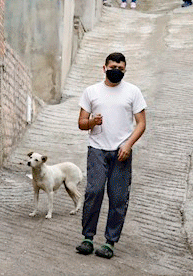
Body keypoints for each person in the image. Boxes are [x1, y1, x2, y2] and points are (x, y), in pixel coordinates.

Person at [75, 52, 147, 259]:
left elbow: (141, 123)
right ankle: (88, 238)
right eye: (113, 67)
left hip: (121, 152)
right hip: (97, 149)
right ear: (104, 68)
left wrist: (128, 144)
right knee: (94, 192)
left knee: (118, 197)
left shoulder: (133, 92)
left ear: (125, 70)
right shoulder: (91, 91)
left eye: (120, 69)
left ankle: (109, 242)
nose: (116, 71)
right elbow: (81, 123)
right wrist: (92, 122)